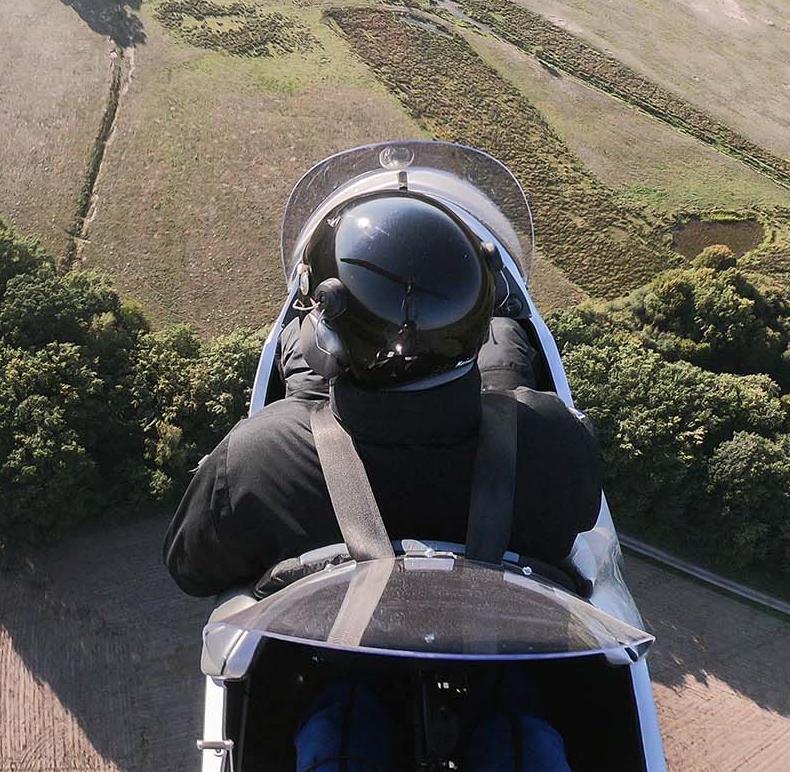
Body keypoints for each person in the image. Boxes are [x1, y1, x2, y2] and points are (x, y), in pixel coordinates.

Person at [163, 190, 602, 770]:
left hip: (334, 670)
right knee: (516, 723)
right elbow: (577, 523)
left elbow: (191, 568)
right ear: (483, 322)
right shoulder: (555, 438)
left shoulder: (259, 456)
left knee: (338, 720)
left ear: (330, 342)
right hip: (503, 664)